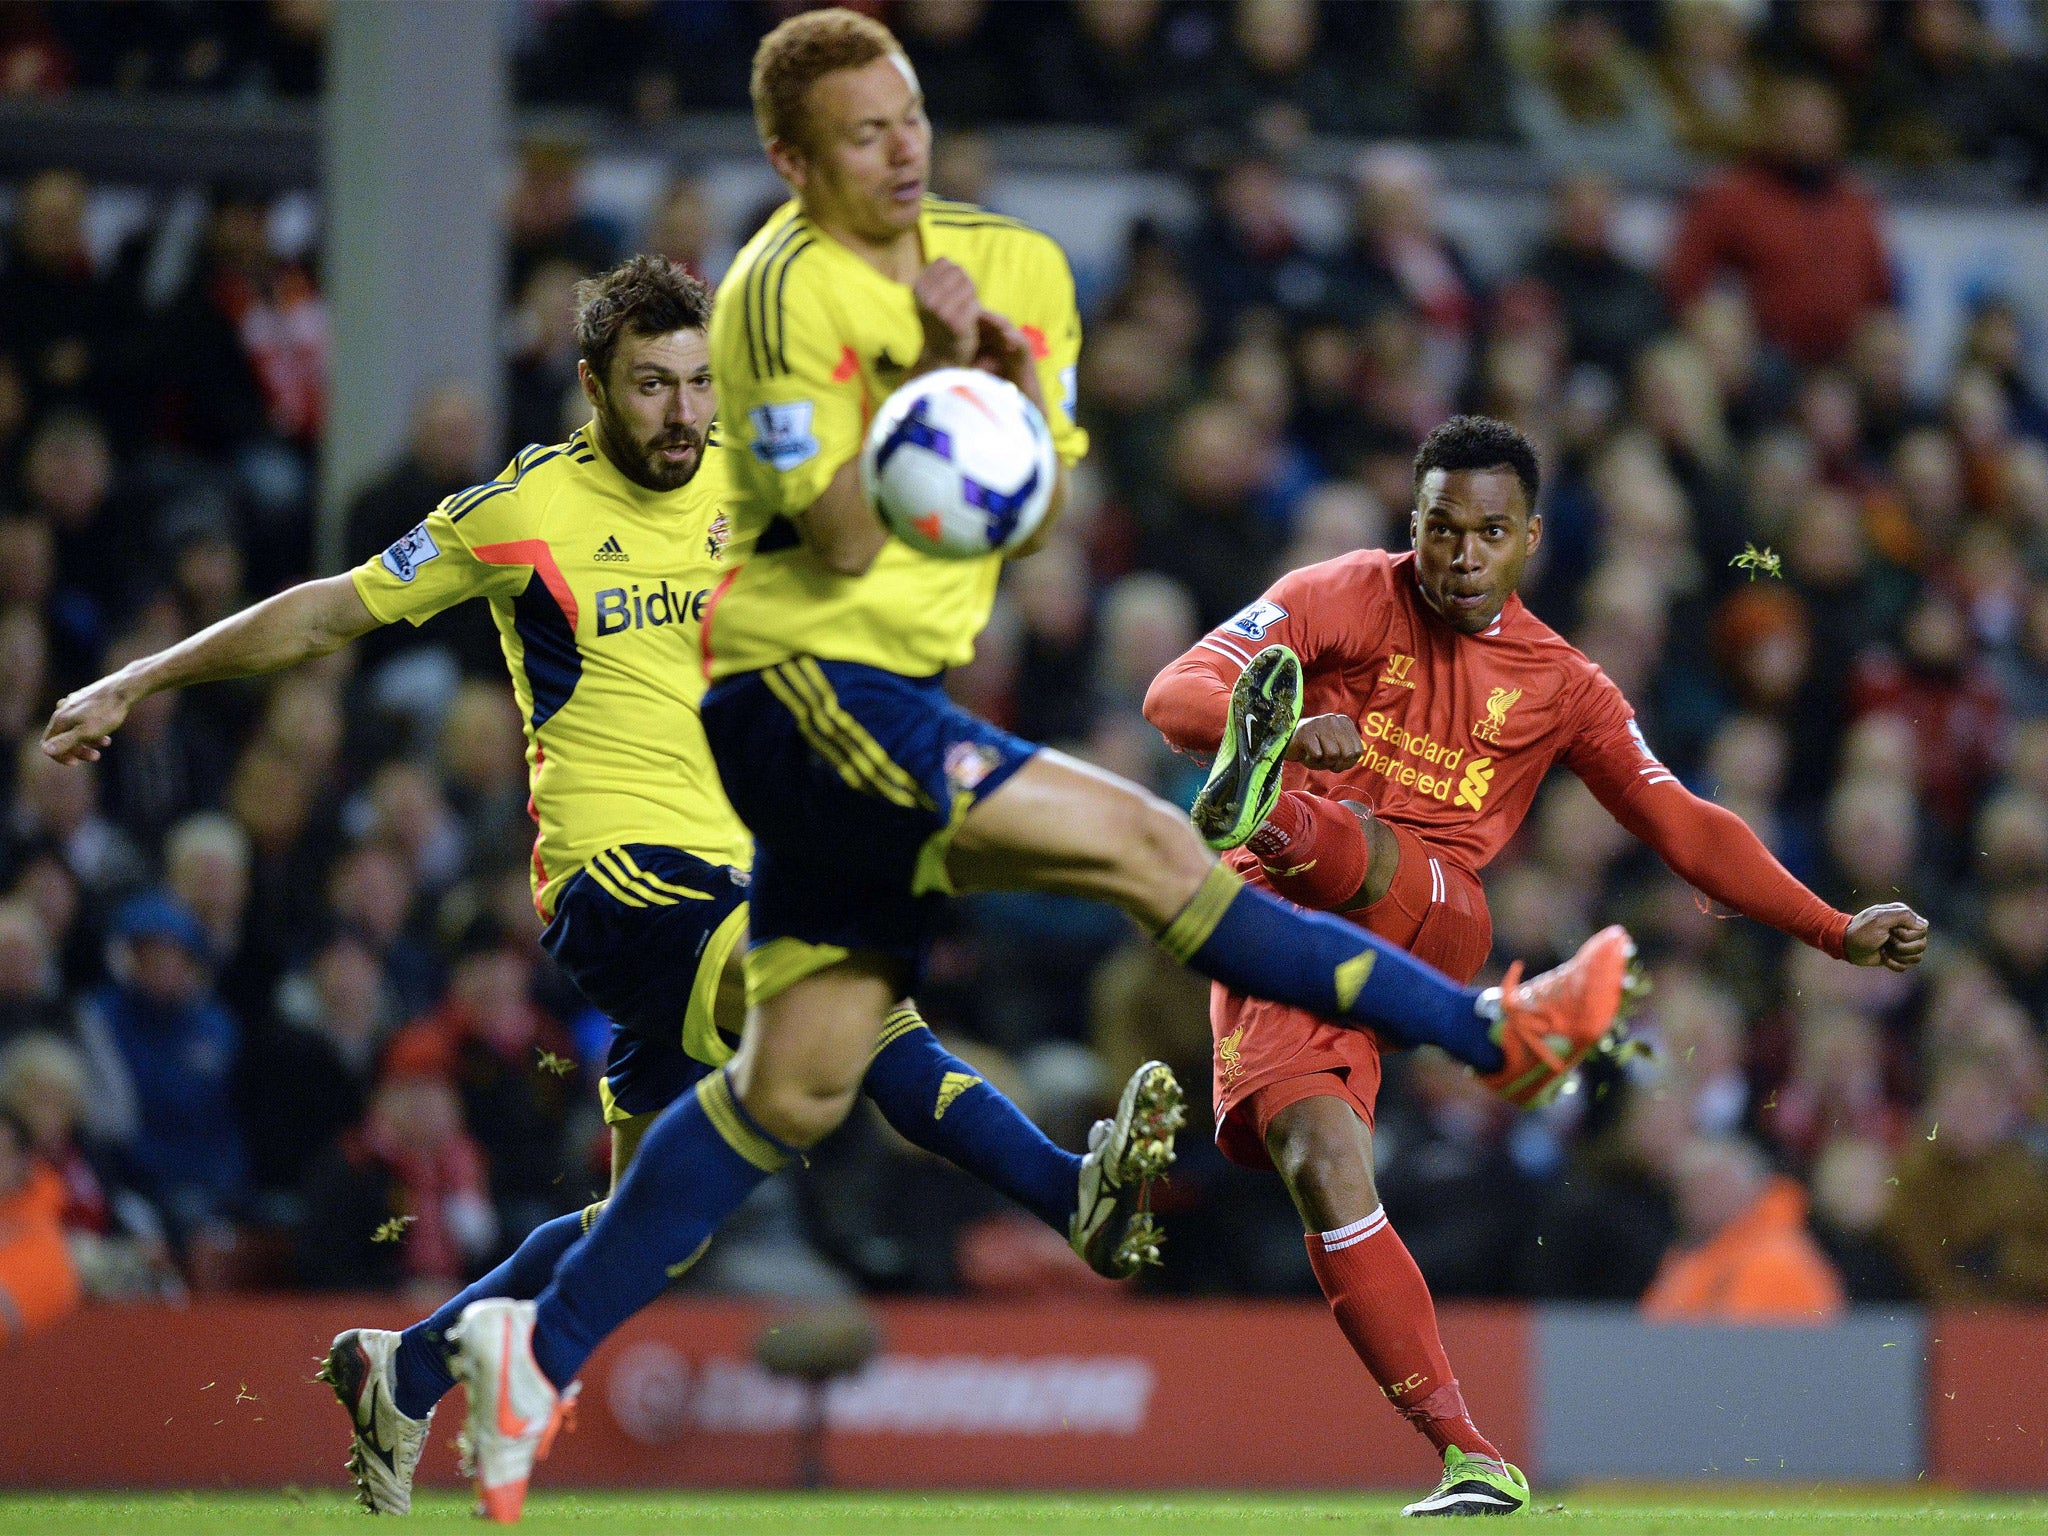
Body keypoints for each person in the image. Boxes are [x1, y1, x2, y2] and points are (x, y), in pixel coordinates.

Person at [437, 13, 1636, 1523]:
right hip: (807, 687)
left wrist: (990, 392)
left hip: (887, 685)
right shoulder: (770, 304)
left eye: (912, 113)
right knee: (1157, 856)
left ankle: (527, 1359)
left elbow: (1012, 494)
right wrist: (931, 389)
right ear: (793, 162)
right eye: (864, 131)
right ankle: (1491, 1025)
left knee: (795, 1084)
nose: (903, 145)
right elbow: (859, 533)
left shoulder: (1009, 261)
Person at [42, 254, 1172, 1517]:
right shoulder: (522, 512)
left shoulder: (755, 482)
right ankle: (1065, 1189)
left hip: (742, 876)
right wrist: (136, 680)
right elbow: (323, 617)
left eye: (698, 382)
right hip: (621, 883)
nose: (683, 412)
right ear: (593, 387)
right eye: (650, 386)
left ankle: (402, 1373)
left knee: (649, 1230)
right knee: (837, 999)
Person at [1142, 413, 1930, 1514]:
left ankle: (1295, 833)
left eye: (1488, 533)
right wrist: (1246, 714)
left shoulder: (1560, 682)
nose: (1460, 555)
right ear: (1407, 525)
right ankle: (1467, 1452)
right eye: (1438, 529)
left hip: (1429, 909)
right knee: (1317, 1162)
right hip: (1272, 929)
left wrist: (1828, 925)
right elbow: (1168, 694)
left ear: (1531, 540)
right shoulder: (1331, 593)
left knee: (1337, 831)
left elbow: (1682, 824)